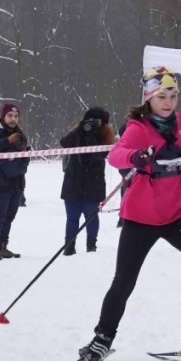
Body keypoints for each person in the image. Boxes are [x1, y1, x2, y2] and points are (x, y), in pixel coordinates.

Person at [77, 67, 181, 361]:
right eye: (162, 96)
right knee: (125, 280)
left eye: (173, 96)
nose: (168, 102)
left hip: (177, 214)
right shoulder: (138, 127)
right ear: (149, 98)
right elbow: (116, 155)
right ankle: (102, 339)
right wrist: (134, 157)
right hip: (141, 218)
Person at [60, 107, 115, 255]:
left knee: (91, 217)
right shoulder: (77, 133)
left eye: (98, 121)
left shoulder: (104, 136)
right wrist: (80, 130)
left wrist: (92, 137)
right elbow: (64, 142)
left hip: (93, 183)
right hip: (73, 182)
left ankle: (91, 246)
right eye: (91, 120)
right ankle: (69, 247)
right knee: (72, 217)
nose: (94, 124)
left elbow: (101, 155)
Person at [0, 103, 30, 259]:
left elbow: (24, 156)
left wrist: (25, 155)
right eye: (10, 116)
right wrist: (7, 141)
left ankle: (3, 245)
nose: (13, 119)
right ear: (3, 116)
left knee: (10, 216)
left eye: (16, 116)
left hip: (17, 182)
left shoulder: (20, 133)